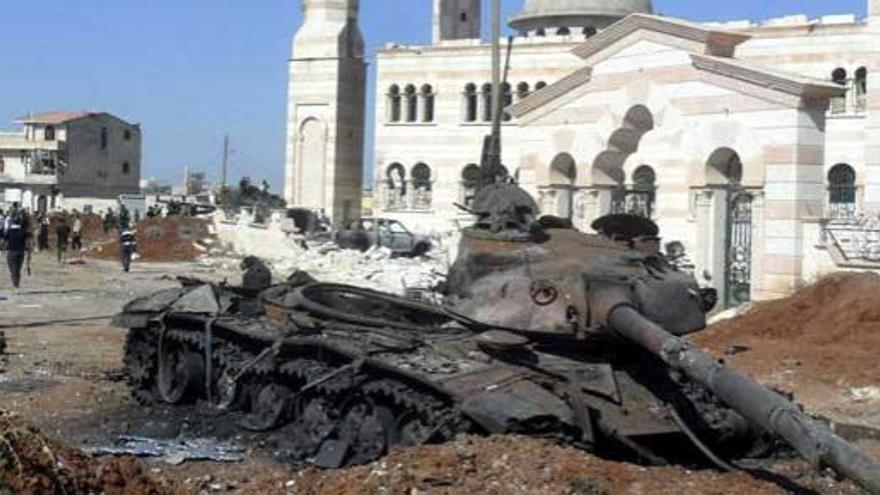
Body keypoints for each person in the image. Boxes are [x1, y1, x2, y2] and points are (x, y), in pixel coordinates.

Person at [4, 209, 30, 289]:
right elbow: (28, 241)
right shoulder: (23, 232)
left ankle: (15, 283)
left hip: (11, 252)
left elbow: (5, 240)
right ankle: (17, 283)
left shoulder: (9, 231)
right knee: (18, 269)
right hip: (21, 252)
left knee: (12, 269)